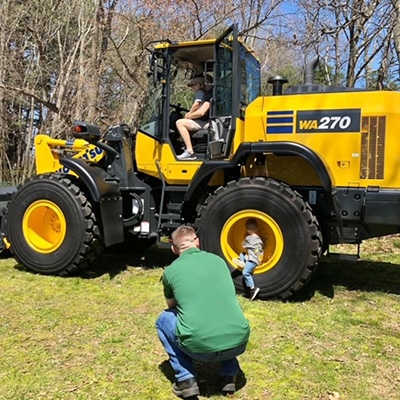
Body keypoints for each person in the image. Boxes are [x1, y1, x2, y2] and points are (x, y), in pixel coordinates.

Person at [156, 226, 250, 398]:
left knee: (163, 320)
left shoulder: (170, 271)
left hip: (199, 348)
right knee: (221, 312)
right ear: (197, 242)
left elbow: (172, 306)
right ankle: (229, 374)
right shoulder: (219, 261)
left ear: (174, 249)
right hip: (239, 341)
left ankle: (186, 379)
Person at [176, 76, 212, 161]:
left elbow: (201, 112)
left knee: (179, 123)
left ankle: (190, 152)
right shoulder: (207, 94)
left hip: (206, 122)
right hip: (205, 121)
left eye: (194, 85)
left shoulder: (208, 94)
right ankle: (189, 147)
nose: (193, 88)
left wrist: (189, 115)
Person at [233, 219, 265, 301]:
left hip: (252, 260)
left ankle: (252, 288)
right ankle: (243, 261)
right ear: (257, 228)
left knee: (245, 272)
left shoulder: (249, 238)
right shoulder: (260, 239)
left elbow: (243, 245)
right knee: (242, 254)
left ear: (248, 230)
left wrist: (244, 238)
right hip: (258, 258)